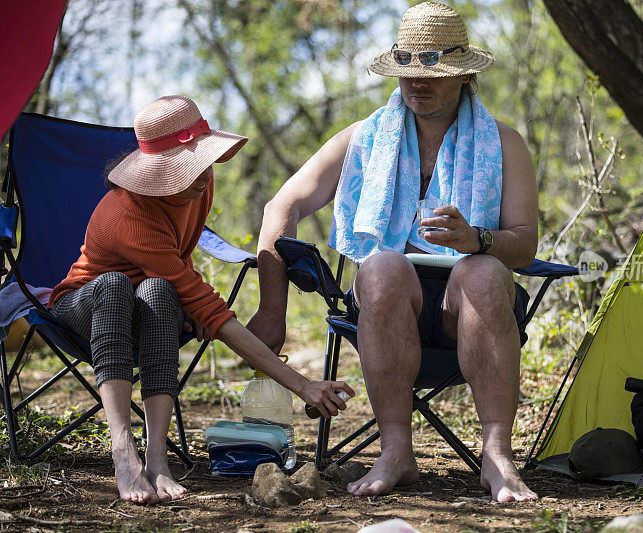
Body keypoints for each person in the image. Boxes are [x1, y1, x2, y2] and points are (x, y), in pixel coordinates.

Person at [247, 2, 538, 502]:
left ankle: (498, 456)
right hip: (388, 306)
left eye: (433, 70)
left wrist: (477, 240)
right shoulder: (363, 138)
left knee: (485, 273)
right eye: (406, 69)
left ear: (465, 74)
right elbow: (282, 207)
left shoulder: (503, 144)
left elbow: (524, 243)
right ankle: (396, 452)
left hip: (470, 305)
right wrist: (272, 311)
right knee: (381, 265)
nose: (416, 83)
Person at [48, 95, 354, 504]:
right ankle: (124, 453)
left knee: (159, 289)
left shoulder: (198, 189)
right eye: (187, 168)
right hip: (85, 306)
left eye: (203, 162)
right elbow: (209, 307)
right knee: (116, 285)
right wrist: (302, 385)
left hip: (146, 306)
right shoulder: (127, 215)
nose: (204, 176)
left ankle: (157, 457)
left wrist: (186, 309)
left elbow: (180, 271)